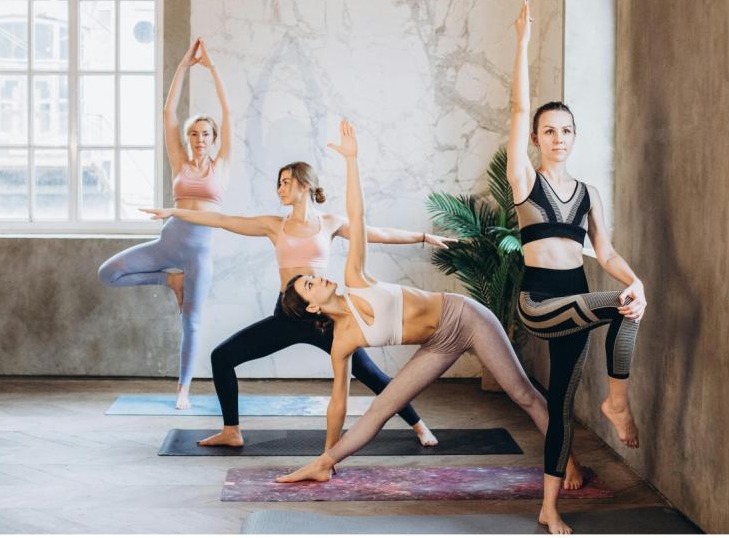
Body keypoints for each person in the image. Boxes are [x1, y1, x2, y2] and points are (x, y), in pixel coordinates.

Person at [274, 119, 581, 526]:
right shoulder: (343, 340)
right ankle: (322, 463)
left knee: (523, 394)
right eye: (312, 284)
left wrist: (352, 162)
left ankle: (568, 462)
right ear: (313, 307)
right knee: (379, 410)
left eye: (313, 275)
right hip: (438, 344)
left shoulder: (355, 278)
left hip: (464, 317)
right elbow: (339, 402)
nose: (321, 277)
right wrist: (328, 453)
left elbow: (357, 214)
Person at [141, 162, 456, 447]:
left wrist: (424, 237)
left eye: (285, 182)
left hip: (325, 317)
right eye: (278, 183)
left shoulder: (330, 222)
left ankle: (418, 425)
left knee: (370, 374)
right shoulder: (273, 225)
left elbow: (377, 233)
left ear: (305, 184)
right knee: (222, 356)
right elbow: (223, 220)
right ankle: (231, 431)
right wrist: (174, 212)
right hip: (287, 314)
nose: (279, 188)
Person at [506, 0, 647, 533]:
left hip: (577, 298)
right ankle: (618, 406)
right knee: (616, 308)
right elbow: (518, 111)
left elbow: (605, 254)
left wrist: (636, 283)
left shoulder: (588, 194)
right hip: (540, 302)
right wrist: (522, 45)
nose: (557, 137)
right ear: (538, 139)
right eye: (549, 131)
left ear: (573, 137)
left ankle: (548, 508)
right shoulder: (525, 182)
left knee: (561, 404)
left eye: (566, 130)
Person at [98, 38, 231, 410]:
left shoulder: (223, 166)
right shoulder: (180, 162)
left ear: (215, 139)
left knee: (191, 323)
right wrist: (184, 66)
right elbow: (168, 112)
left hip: (199, 254)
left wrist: (213, 68)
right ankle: (169, 279)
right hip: (169, 242)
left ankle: (183, 390)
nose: (199, 139)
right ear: (187, 139)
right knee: (108, 272)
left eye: (206, 134)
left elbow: (227, 109)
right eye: (194, 134)